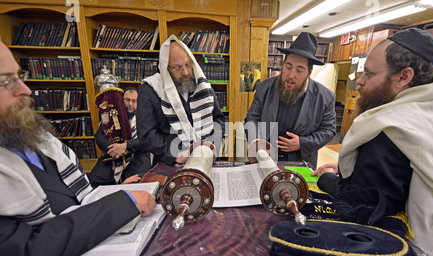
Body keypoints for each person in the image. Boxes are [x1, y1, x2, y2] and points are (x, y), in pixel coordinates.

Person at [0, 42, 156, 256]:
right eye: (6, 81)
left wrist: (114, 190)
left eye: (19, 77)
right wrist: (120, 201)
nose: (26, 90)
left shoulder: (30, 139)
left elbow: (75, 197)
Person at [312, 28, 433, 256]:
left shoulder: (389, 129)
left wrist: (328, 179)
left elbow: (363, 206)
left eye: (369, 73)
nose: (360, 81)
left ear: (403, 77)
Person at [244, 32, 336, 168]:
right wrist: (256, 140)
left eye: (299, 70)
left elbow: (329, 130)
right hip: (265, 159)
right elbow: (251, 119)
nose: (291, 75)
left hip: (301, 162)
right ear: (282, 65)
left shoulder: (325, 97)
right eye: (288, 67)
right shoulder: (264, 87)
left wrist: (303, 143)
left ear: (309, 73)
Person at [137, 35, 225, 165]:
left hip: (205, 157)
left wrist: (212, 144)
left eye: (188, 65)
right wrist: (173, 155)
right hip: (170, 162)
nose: (185, 72)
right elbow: (147, 133)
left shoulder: (202, 86)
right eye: (177, 68)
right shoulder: (150, 89)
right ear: (165, 68)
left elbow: (219, 119)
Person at [89, 87, 153, 187]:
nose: (130, 104)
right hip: (112, 156)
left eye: (134, 101)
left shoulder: (147, 118)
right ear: (121, 100)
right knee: (95, 180)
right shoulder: (112, 115)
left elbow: (147, 140)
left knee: (138, 183)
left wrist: (125, 147)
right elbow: (99, 136)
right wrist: (114, 148)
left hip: (137, 156)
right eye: (127, 100)